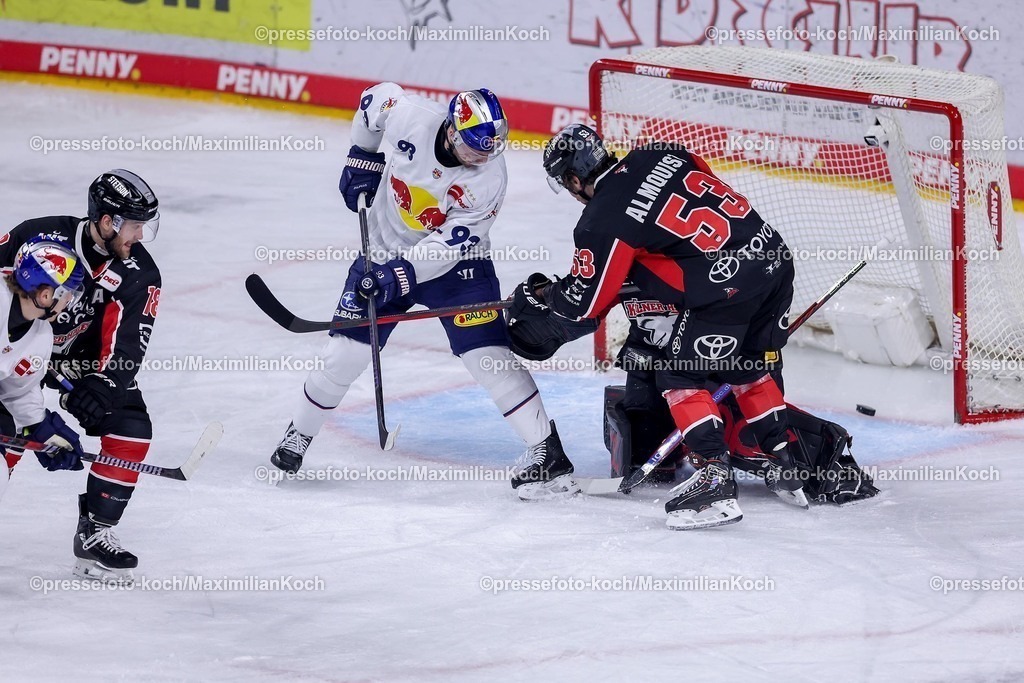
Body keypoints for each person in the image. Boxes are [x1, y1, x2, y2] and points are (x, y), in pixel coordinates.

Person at [269, 83, 580, 500]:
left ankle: (547, 452)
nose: (482, 158)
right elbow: (373, 101)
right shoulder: (411, 115)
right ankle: (299, 434)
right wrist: (362, 155)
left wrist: (400, 275)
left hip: (459, 269)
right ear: (451, 130)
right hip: (383, 251)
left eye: (489, 149)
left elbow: (450, 244)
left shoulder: (489, 178)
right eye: (473, 149)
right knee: (344, 354)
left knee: (487, 356)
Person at [508, 123, 810, 529]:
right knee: (747, 365)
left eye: (566, 183)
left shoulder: (600, 219)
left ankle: (714, 479)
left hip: (727, 287)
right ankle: (785, 461)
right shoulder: (662, 152)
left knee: (678, 373)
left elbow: (585, 303)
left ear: (574, 179)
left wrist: (543, 295)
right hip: (772, 259)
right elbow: (705, 191)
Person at [0, 169, 162, 580]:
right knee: (8, 431)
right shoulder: (36, 235)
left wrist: (104, 385)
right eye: (135, 225)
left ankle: (95, 530)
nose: (141, 236)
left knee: (131, 427)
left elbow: (129, 344)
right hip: (16, 346)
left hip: (79, 360)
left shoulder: (140, 273)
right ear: (108, 221)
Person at [0, 239, 88, 503]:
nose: (69, 301)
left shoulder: (41, 336)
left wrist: (41, 427)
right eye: (68, 292)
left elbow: (17, 391)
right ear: (46, 295)